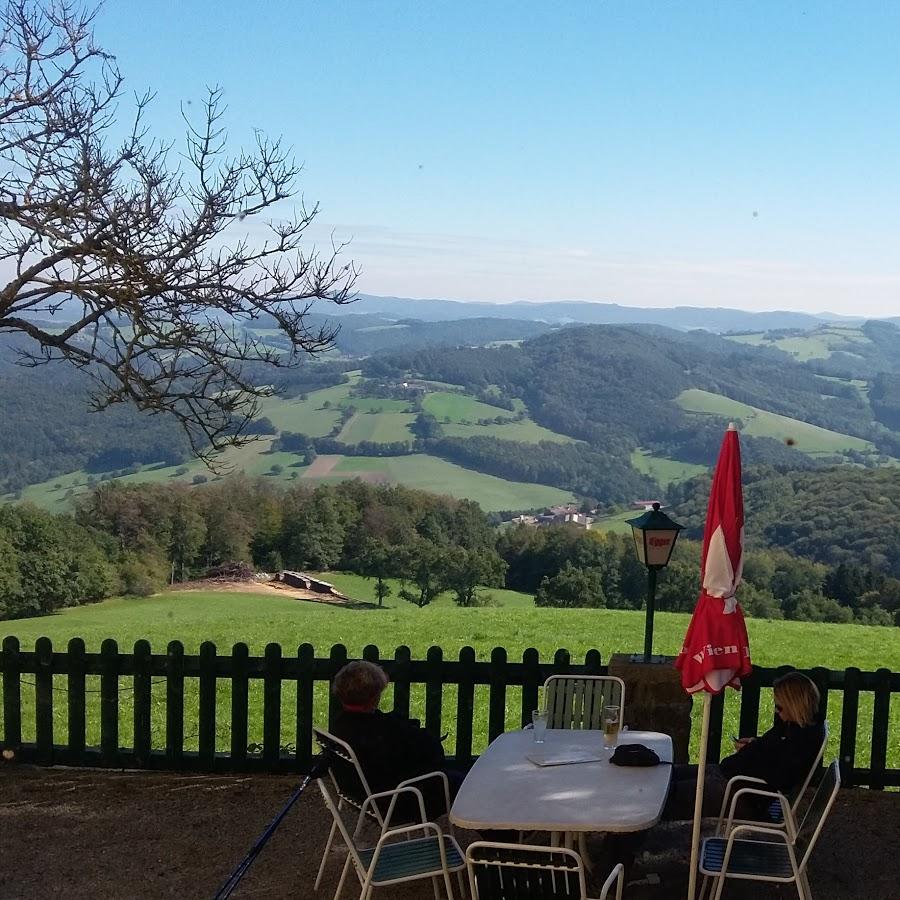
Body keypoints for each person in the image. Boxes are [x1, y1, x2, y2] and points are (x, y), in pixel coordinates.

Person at [665, 671, 824, 820]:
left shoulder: (801, 740)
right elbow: (770, 749)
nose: (777, 711)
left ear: (794, 706)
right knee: (669, 773)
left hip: (743, 795)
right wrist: (754, 744)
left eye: (780, 707)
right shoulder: (791, 726)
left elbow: (779, 776)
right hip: (732, 777)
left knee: (670, 795)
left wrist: (751, 750)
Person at [329, 660, 460, 821]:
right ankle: (492, 841)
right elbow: (430, 750)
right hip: (397, 801)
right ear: (373, 696)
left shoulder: (340, 725)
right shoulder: (379, 732)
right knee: (471, 787)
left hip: (367, 798)